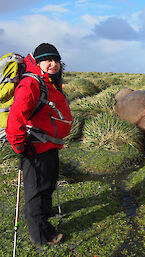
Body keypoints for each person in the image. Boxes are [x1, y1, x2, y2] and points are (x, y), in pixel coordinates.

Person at [6, 43, 72, 246]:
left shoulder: (48, 80)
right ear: (38, 62)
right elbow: (15, 118)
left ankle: (40, 213)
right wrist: (19, 147)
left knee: (47, 184)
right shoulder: (31, 83)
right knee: (37, 191)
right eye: (47, 60)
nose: (53, 64)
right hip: (34, 147)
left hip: (49, 145)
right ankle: (41, 235)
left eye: (56, 60)